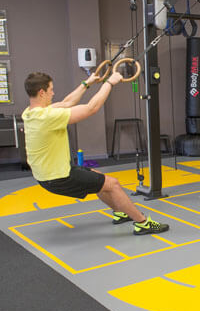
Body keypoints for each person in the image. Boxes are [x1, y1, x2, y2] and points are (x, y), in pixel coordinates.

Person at [22, 71, 169, 236]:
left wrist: (88, 83)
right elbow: (92, 108)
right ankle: (142, 223)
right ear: (42, 92)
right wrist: (110, 83)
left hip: (48, 174)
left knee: (99, 178)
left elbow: (67, 102)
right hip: (58, 177)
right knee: (112, 184)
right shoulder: (47, 116)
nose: (53, 93)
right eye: (51, 90)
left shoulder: (30, 112)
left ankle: (121, 212)